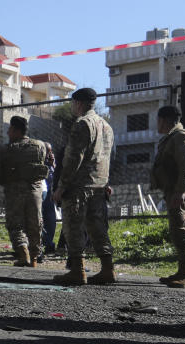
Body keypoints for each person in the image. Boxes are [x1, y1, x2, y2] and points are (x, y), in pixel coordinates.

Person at [53, 88, 115, 285]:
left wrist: (62, 185)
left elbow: (73, 158)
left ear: (78, 103)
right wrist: (106, 182)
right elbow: (107, 158)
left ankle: (78, 270)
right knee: (98, 229)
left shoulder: (82, 124)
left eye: (73, 103)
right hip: (99, 184)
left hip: (80, 185)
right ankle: (108, 268)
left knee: (73, 227)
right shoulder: (106, 126)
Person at [151, 105, 185, 288]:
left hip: (179, 193)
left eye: (157, 119)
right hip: (173, 192)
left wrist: (182, 191)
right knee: (177, 230)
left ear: (163, 120)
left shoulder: (180, 136)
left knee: (182, 230)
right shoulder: (171, 137)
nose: (156, 123)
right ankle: (183, 270)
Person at [0, 116, 48, 267]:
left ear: (16, 131)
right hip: (35, 191)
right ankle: (34, 258)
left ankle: (22, 251)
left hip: (14, 192)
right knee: (35, 224)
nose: (8, 132)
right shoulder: (40, 145)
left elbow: (1, 175)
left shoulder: (6, 149)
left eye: (10, 129)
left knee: (15, 224)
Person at [40, 142, 58, 258]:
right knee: (40, 219)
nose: (49, 154)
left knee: (51, 219)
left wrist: (53, 164)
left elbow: (58, 175)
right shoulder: (39, 160)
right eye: (47, 151)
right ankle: (41, 243)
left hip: (49, 195)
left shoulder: (51, 163)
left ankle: (49, 243)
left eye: (50, 151)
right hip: (40, 193)